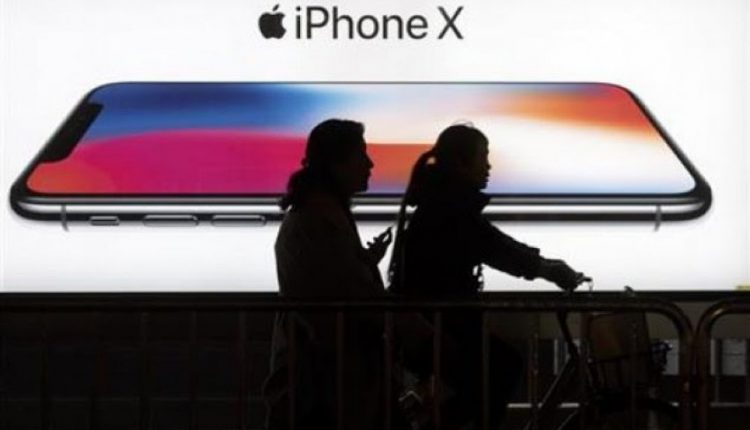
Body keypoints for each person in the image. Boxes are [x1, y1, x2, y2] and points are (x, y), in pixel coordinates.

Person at [389, 123, 585, 429]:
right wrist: (548, 269)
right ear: (461, 162)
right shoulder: (451, 208)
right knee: (500, 371)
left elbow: (491, 244)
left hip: (433, 324)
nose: (488, 166)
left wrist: (543, 266)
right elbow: (495, 247)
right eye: (483, 156)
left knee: (487, 379)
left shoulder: (439, 203)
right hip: (440, 326)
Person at [264, 118, 426, 430]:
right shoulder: (321, 219)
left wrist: (365, 260)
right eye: (361, 154)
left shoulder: (314, 213)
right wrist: (417, 328)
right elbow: (352, 290)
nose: (370, 164)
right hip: (328, 379)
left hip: (322, 376)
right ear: (337, 162)